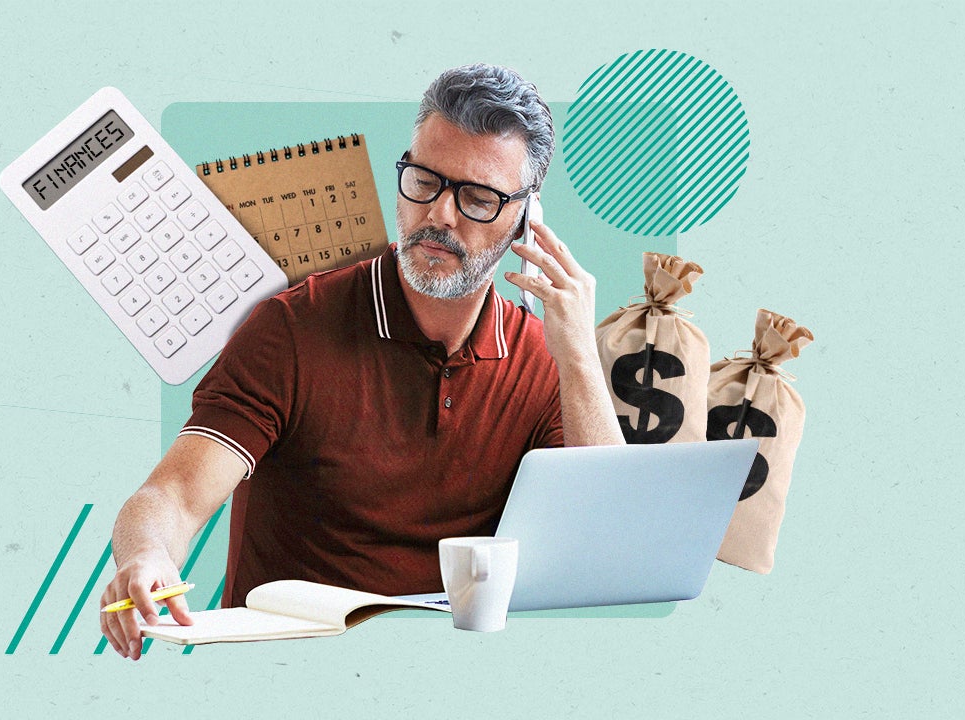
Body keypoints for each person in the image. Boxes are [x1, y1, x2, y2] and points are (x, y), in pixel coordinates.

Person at [100, 64, 622, 659]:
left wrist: (578, 353)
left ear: (527, 217)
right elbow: (173, 495)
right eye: (424, 180)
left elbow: (603, 544)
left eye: (478, 198)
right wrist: (146, 555)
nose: (440, 216)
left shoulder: (545, 357)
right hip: (287, 670)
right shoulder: (292, 329)